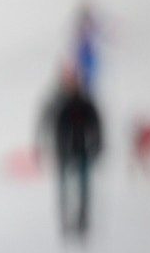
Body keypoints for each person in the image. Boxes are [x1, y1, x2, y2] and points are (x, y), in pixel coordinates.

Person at [38, 64, 104, 243]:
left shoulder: (84, 102)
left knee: (83, 190)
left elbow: (96, 125)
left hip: (82, 149)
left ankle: (82, 222)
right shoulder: (61, 103)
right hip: (65, 151)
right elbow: (51, 125)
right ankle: (66, 221)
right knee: (66, 190)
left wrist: (97, 145)